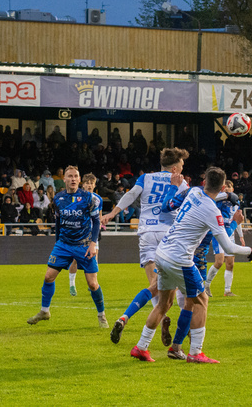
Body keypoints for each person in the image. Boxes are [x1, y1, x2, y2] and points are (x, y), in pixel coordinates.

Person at [129, 167, 252, 363]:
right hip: (180, 259)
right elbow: (228, 247)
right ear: (223, 186)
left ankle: (141, 347)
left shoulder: (194, 191)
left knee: (164, 304)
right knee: (202, 300)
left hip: (162, 252)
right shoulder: (213, 212)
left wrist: (226, 195)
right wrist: (250, 251)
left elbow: (210, 195)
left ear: (204, 180)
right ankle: (196, 352)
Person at [103, 147, 190, 345]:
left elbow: (131, 195)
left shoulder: (147, 178)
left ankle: (126, 317)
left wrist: (112, 214)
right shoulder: (180, 181)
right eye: (182, 165)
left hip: (147, 233)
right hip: (169, 234)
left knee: (154, 284)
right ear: (175, 168)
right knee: (170, 286)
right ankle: (185, 328)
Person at [26, 166, 106, 327]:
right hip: (63, 244)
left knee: (92, 284)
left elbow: (97, 221)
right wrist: (57, 242)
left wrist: (93, 244)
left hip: (83, 245)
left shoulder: (88, 198)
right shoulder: (58, 198)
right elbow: (57, 221)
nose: (73, 179)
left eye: (76, 176)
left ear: (79, 179)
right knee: (48, 276)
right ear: (65, 179)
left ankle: (101, 314)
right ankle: (44, 311)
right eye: (70, 176)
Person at [204, 181, 245, 297]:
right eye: (225, 187)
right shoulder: (218, 200)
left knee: (230, 263)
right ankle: (206, 285)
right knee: (219, 261)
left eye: (229, 186)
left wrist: (241, 236)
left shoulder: (236, 203)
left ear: (232, 189)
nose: (227, 188)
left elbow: (238, 220)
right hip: (219, 232)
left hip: (230, 234)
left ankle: (227, 291)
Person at [67, 173, 103, 296]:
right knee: (76, 259)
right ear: (83, 184)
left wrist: (98, 230)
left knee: (94, 258)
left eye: (91, 183)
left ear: (94, 185)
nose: (89, 185)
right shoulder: (77, 197)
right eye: (87, 183)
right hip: (80, 233)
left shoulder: (98, 199)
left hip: (92, 233)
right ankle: (72, 284)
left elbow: (99, 216)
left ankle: (93, 283)